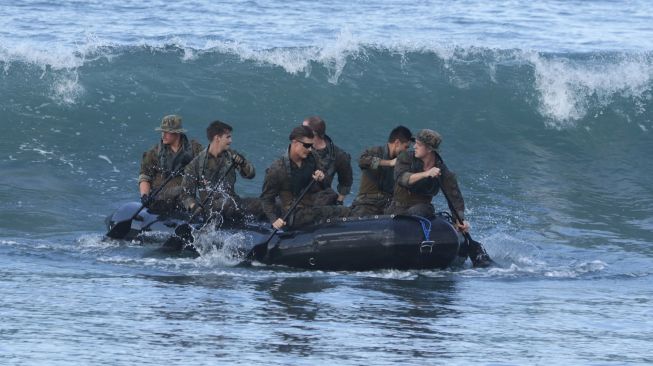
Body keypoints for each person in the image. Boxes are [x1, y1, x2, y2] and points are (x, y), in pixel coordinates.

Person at [260, 125, 350, 230]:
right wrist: (274, 220)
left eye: (311, 145)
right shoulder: (277, 170)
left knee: (332, 196)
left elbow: (324, 184)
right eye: (307, 145)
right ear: (295, 142)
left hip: (310, 204)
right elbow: (266, 199)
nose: (310, 149)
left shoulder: (312, 157)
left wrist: (321, 178)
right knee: (344, 211)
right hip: (293, 214)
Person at [385, 129, 470, 233]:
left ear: (429, 149)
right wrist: (426, 174)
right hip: (396, 207)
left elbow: (455, 198)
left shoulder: (442, 170)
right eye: (415, 143)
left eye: (419, 144)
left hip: (422, 208)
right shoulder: (405, 158)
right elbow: (401, 178)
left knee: (419, 211)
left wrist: (460, 220)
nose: (414, 146)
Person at [181, 120, 256, 224]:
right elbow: (186, 194)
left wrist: (243, 163)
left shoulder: (231, 156)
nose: (231, 140)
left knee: (260, 204)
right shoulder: (195, 164)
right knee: (226, 203)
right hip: (211, 208)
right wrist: (194, 206)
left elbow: (251, 175)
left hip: (233, 202)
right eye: (228, 137)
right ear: (217, 138)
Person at [138, 115, 203, 213]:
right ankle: (193, 208)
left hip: (184, 198)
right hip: (161, 197)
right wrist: (144, 196)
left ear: (177, 133)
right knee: (183, 191)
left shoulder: (194, 149)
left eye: (167, 132)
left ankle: (196, 211)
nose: (163, 135)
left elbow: (207, 164)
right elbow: (145, 176)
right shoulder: (154, 152)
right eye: (162, 132)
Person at [349, 126, 413, 217]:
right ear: (397, 143)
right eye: (406, 147)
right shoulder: (375, 152)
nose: (406, 151)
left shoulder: (402, 161)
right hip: (367, 203)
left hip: (388, 205)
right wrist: (388, 163)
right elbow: (362, 161)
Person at [302, 116, 353, 206]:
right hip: (297, 194)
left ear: (313, 133)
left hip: (320, 198)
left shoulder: (338, 155)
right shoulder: (299, 147)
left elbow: (346, 182)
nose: (300, 131)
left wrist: (339, 202)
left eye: (303, 129)